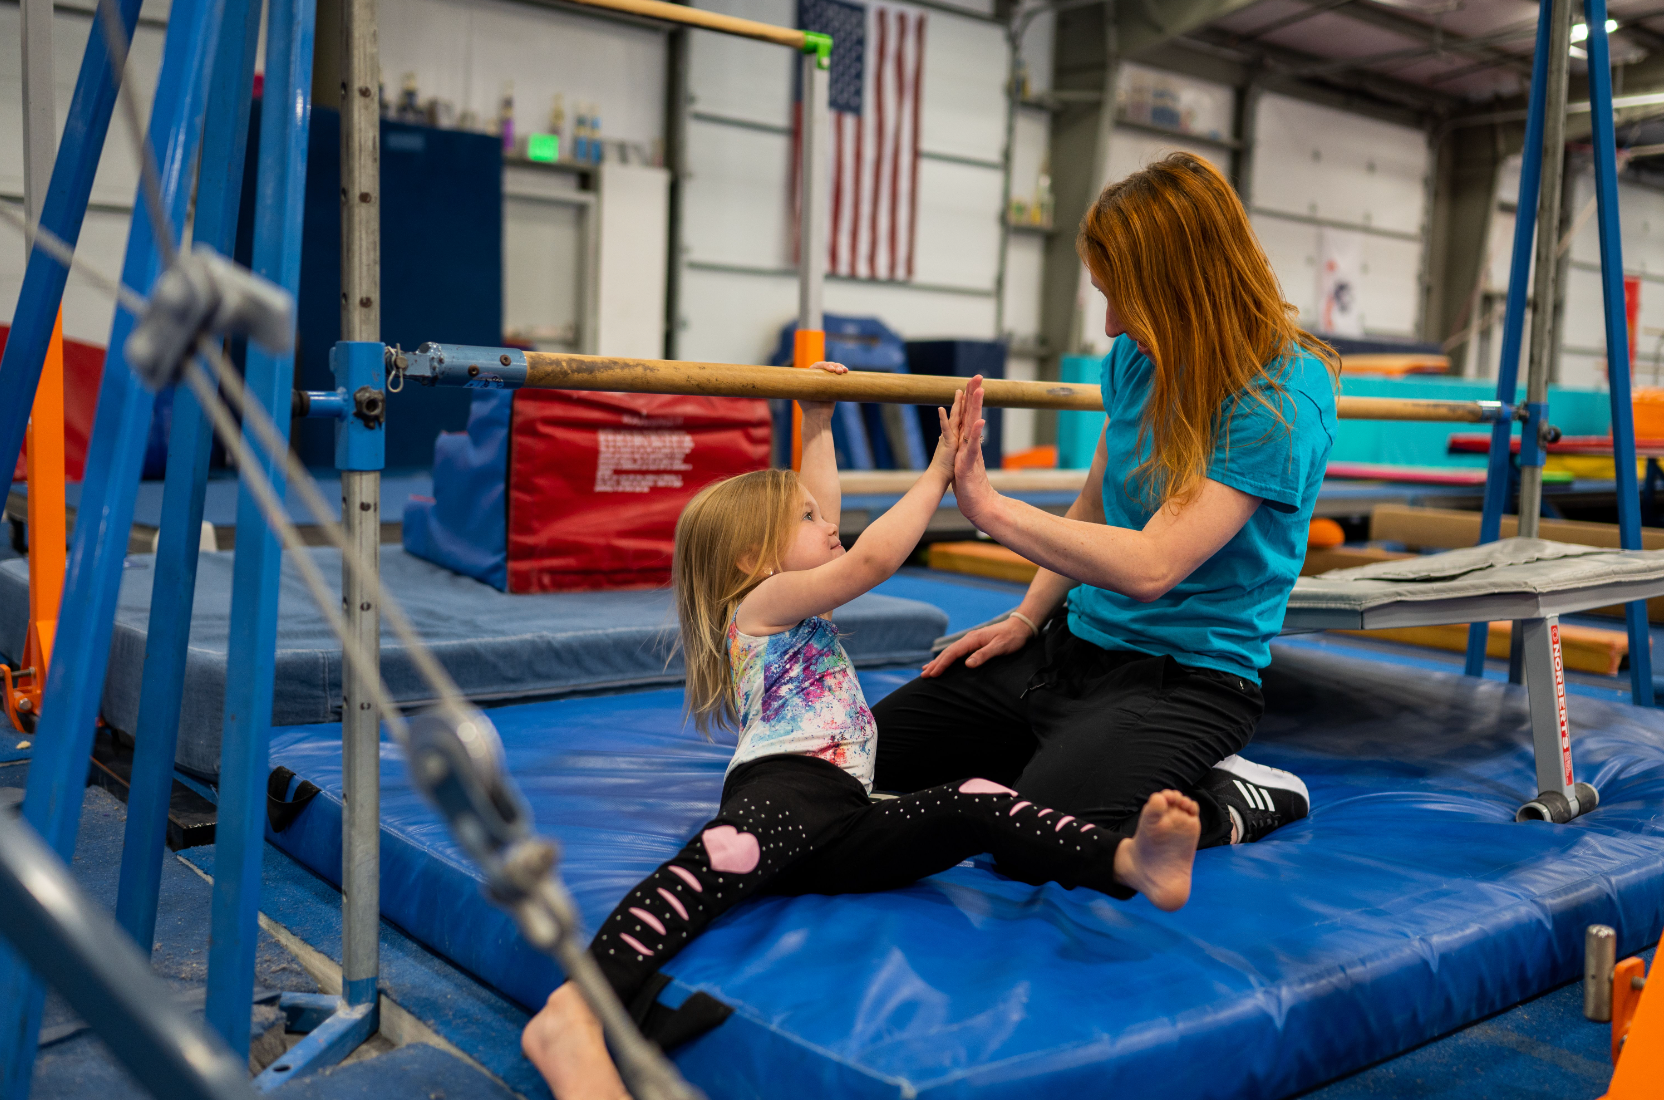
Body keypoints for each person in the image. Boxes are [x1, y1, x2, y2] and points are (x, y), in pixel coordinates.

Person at [522, 363, 1205, 1100]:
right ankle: (574, 1013)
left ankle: (1128, 862)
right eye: (809, 522)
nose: (830, 525)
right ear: (755, 559)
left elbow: (834, 519)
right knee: (711, 868)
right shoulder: (763, 604)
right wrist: (942, 471)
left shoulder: (784, 591)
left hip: (844, 816)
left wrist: (817, 421)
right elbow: (875, 557)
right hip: (785, 789)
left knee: (974, 799)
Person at [874, 150, 1340, 854]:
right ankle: (1073, 761)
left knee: (1037, 840)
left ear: (1188, 288)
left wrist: (990, 508)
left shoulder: (1278, 398)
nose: (1114, 324)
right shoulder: (1137, 360)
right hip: (1073, 650)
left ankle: (1233, 795)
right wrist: (1028, 617)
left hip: (1186, 680)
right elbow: (1093, 503)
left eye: (1125, 297)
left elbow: (1152, 566)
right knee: (867, 755)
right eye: (1105, 295)